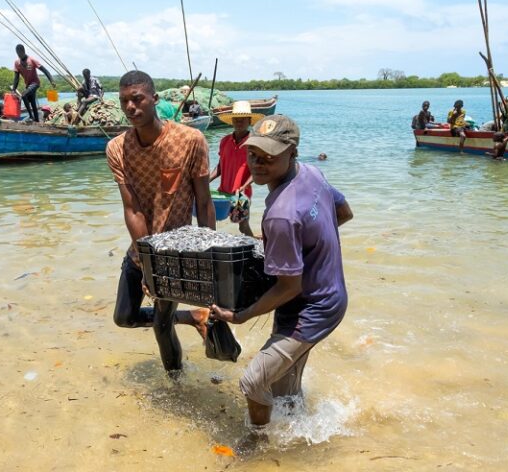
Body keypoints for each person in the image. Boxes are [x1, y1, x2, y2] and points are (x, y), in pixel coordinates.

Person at [208, 114, 353, 451]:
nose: (258, 163)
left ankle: (257, 443)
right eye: (253, 154)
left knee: (253, 380)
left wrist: (241, 316)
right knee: (286, 391)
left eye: (269, 156)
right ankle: (301, 437)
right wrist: (309, 252)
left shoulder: (282, 214)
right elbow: (343, 213)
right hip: (331, 295)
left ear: (292, 151)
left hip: (311, 307)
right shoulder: (312, 175)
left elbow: (290, 287)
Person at [106, 70, 216, 373]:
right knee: (124, 317)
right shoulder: (117, 148)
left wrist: (208, 257)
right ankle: (194, 317)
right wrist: (145, 262)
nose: (131, 107)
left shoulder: (190, 140)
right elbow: (133, 210)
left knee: (161, 326)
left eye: (137, 98)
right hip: (141, 249)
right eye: (124, 101)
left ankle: (176, 384)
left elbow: (204, 202)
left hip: (176, 253)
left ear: (155, 99)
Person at [209, 101, 265, 237]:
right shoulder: (224, 141)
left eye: (243, 119)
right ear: (232, 121)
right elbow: (221, 165)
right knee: (212, 221)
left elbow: (257, 169)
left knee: (242, 226)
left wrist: (244, 185)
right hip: (223, 192)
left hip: (242, 194)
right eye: (236, 119)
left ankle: (255, 249)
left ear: (249, 121)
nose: (239, 122)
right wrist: (207, 180)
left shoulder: (254, 142)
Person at [11, 44, 56, 123]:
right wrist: (13, 89)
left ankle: (31, 117)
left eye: (20, 53)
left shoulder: (31, 60)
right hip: (28, 85)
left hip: (35, 83)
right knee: (32, 102)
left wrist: (52, 80)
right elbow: (16, 78)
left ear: (23, 51)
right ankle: (37, 120)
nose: (19, 55)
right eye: (17, 53)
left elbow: (45, 70)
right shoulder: (17, 63)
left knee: (24, 95)